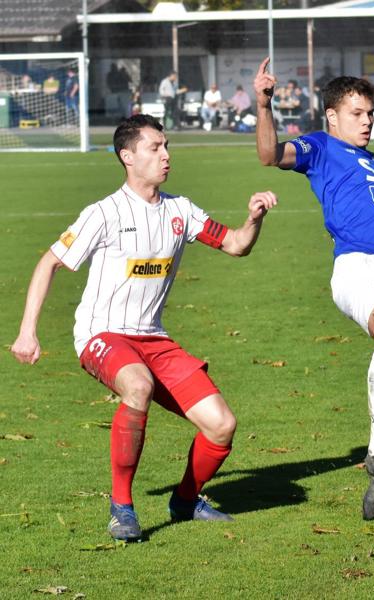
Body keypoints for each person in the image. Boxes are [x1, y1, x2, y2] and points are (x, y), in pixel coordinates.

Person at [10, 114, 278, 542]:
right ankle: (122, 508)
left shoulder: (180, 210)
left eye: (166, 145)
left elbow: (235, 244)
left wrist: (254, 218)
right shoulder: (103, 213)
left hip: (154, 338)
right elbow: (49, 263)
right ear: (128, 156)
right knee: (137, 386)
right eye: (155, 148)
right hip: (103, 334)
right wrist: (28, 331)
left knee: (221, 425)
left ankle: (186, 501)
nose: (166, 155)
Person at [252, 58, 374, 521]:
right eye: (357, 113)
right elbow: (268, 154)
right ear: (333, 116)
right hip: (361, 265)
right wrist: (264, 104)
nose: (367, 120)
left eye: (370, 113)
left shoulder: (373, 160)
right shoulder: (320, 146)